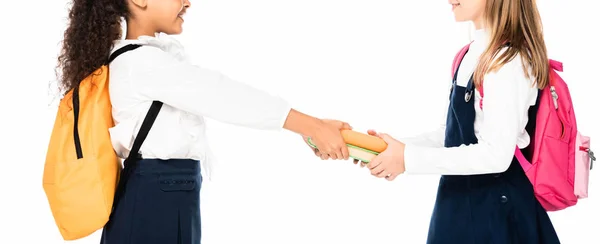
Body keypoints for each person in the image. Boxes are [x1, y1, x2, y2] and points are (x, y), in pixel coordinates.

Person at [55, 0, 352, 243]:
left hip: (169, 195)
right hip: (152, 200)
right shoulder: (139, 63)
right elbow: (221, 94)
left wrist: (313, 126)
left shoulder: (152, 60)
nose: (188, 2)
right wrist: (310, 126)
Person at [346, 0, 562, 243]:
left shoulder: (508, 61)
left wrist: (407, 159)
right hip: (457, 208)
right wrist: (391, 150)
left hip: (498, 218)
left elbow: (496, 156)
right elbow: (449, 134)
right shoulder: (470, 54)